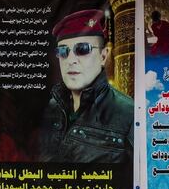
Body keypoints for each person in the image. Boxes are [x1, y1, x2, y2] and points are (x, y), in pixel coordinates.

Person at [38, 9, 134, 164]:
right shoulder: (51, 108)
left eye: (82, 49)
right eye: (63, 52)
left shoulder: (129, 114)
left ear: (103, 56)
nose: (71, 60)